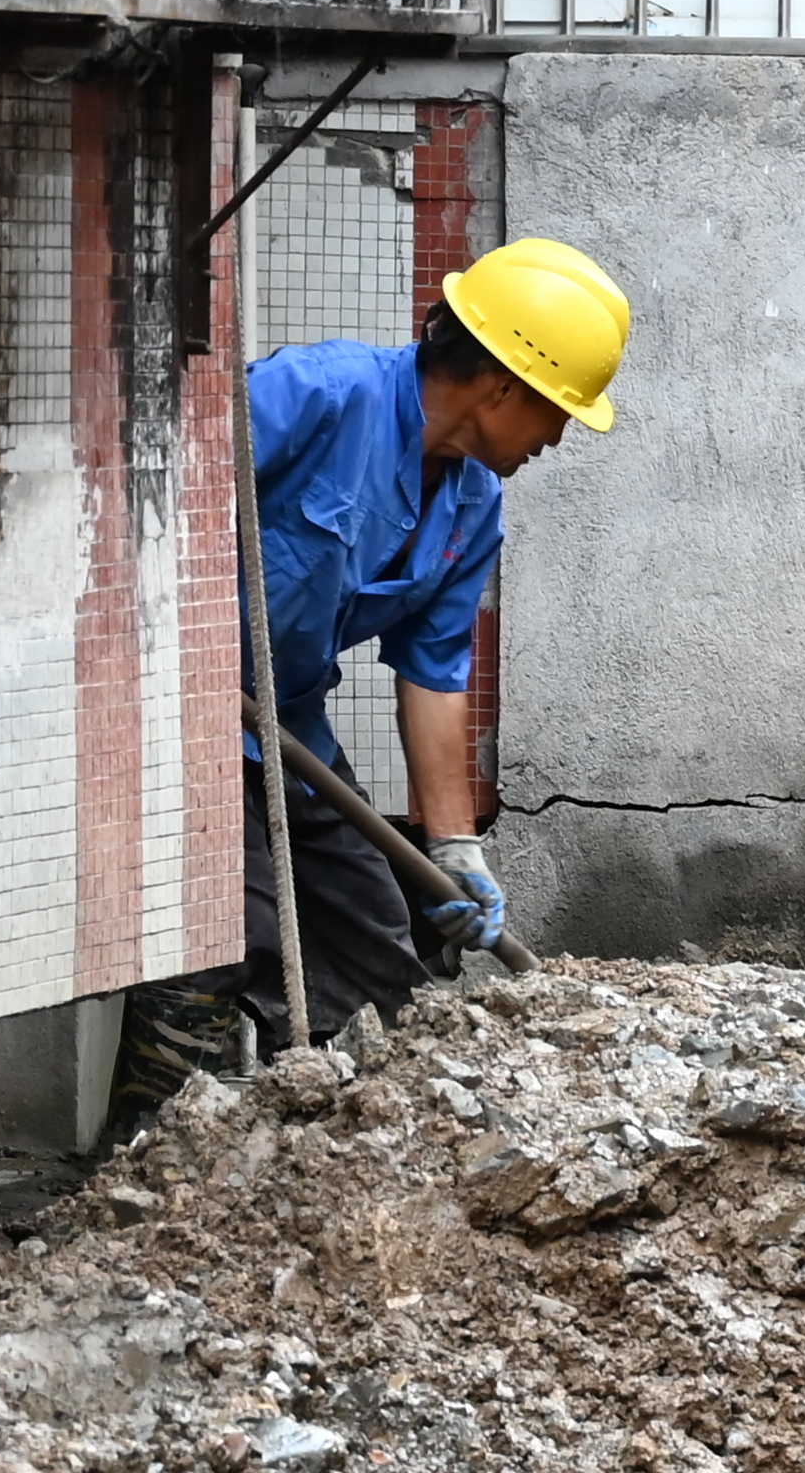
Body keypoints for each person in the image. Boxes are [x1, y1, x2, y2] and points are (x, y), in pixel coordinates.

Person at [232, 235, 626, 1047]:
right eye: (557, 410)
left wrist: (454, 848)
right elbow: (159, 488)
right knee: (233, 934)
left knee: (376, 947)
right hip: (176, 725)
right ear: (505, 387)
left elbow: (435, 676)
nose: (555, 438)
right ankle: (164, 1147)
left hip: (285, 734)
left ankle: (355, 1135)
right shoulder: (314, 396)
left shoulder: (473, 507)